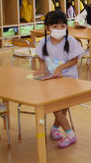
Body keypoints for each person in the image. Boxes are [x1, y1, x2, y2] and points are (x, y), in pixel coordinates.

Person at [35, 11, 84, 148]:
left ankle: (69, 135)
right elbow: (39, 55)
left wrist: (61, 68)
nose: (59, 30)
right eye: (55, 26)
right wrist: (42, 66)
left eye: (62, 26)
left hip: (69, 80)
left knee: (61, 108)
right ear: (47, 28)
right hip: (52, 81)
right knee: (58, 108)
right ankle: (57, 129)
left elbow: (75, 60)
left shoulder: (70, 41)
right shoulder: (44, 42)